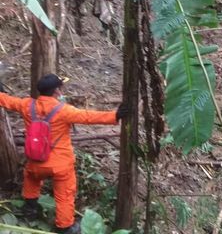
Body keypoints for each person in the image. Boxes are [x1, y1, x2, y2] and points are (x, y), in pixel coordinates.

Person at [0, 74, 127, 234]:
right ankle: (65, 227)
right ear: (57, 91)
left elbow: (8, 101)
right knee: (65, 195)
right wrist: (115, 115)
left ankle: (29, 212)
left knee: (31, 178)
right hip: (60, 165)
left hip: (35, 160)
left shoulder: (27, 105)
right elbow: (88, 116)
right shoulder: (64, 111)